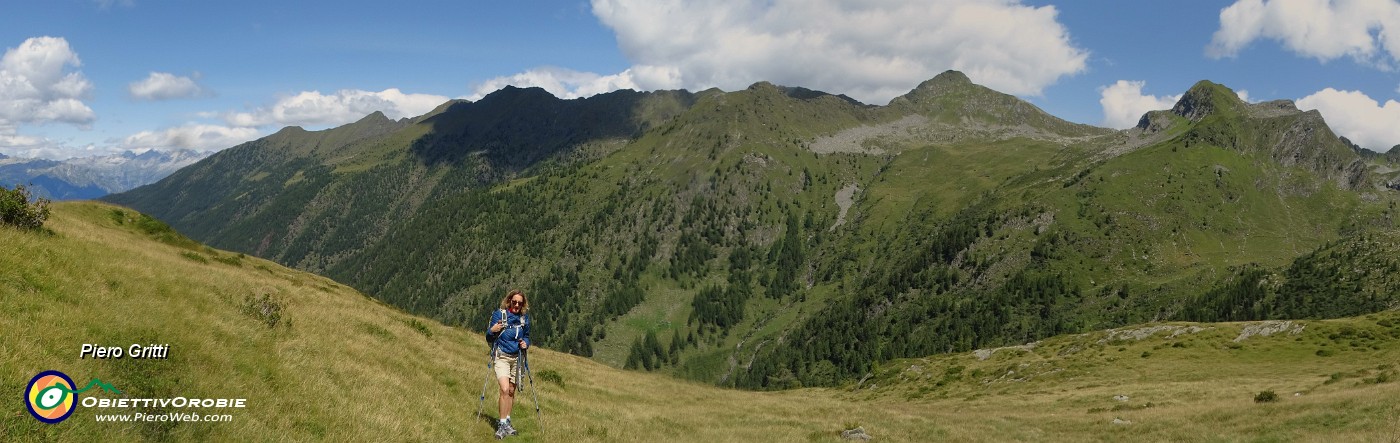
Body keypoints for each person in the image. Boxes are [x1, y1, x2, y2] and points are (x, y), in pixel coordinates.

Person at [485, 289, 531, 439]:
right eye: (514, 301)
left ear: (523, 304)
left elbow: (527, 336)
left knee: (511, 391)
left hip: (517, 358)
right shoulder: (500, 315)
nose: (516, 305)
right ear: (509, 301)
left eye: (520, 302)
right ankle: (502, 424)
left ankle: (507, 421)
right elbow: (489, 336)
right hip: (502, 357)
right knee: (504, 389)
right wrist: (492, 330)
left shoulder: (524, 319)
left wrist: (526, 343)